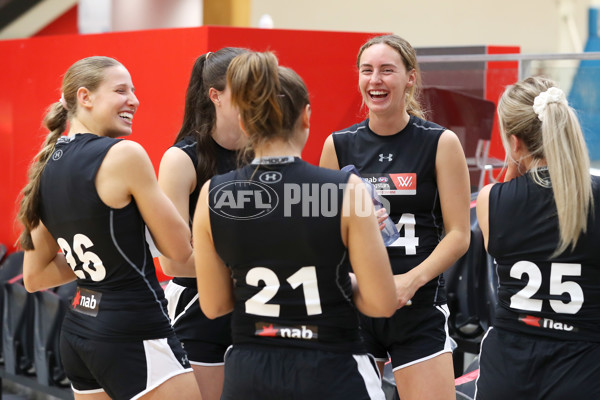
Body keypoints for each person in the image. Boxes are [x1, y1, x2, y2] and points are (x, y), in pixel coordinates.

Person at [192, 51, 398, 400]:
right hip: (331, 369)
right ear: (306, 116)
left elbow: (213, 306)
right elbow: (381, 303)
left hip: (250, 374)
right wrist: (341, 280)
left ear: (245, 123)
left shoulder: (213, 193)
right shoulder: (345, 191)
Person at [16, 56, 201, 400]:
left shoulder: (46, 164)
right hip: (134, 331)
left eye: (133, 90)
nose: (134, 99)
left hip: (79, 333)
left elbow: (35, 276)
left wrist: (108, 247)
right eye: (121, 90)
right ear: (84, 97)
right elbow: (179, 250)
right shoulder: (124, 155)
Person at [320, 34, 471, 400]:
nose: (376, 80)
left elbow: (459, 234)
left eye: (388, 71)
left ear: (410, 78)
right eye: (367, 70)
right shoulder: (337, 145)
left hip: (417, 306)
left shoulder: (440, 142)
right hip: (356, 304)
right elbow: (323, 233)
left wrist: (409, 281)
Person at [475, 76, 600, 399]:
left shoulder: (493, 199)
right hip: (581, 364)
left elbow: (496, 241)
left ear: (515, 142)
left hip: (508, 366)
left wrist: (514, 167)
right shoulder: (594, 194)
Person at [157, 47, 248, 400]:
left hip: (258, 304)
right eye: (247, 87)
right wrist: (249, 268)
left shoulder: (266, 152)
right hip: (198, 310)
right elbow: (172, 260)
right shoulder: (182, 159)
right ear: (216, 96)